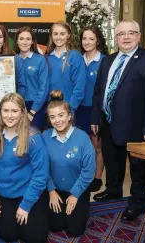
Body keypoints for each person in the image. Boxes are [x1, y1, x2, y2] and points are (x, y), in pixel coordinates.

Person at [91, 19, 145, 222]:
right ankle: (113, 190)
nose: (126, 37)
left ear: (139, 36)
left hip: (137, 125)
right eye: (121, 34)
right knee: (112, 161)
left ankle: (138, 201)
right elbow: (99, 92)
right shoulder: (108, 60)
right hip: (108, 122)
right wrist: (96, 118)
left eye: (131, 33)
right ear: (115, 38)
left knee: (138, 168)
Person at [0, 93, 49, 243]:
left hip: (27, 192)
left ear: (22, 113)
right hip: (3, 193)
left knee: (35, 238)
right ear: (0, 112)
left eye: (14, 111)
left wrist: (26, 205)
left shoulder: (33, 138)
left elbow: (41, 175)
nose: (9, 115)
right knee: (8, 235)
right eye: (5, 111)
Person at [43, 90, 95, 237]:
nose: (57, 120)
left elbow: (89, 170)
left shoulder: (83, 137)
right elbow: (42, 167)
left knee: (75, 230)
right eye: (52, 117)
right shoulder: (45, 137)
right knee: (55, 226)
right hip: (55, 189)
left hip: (77, 188)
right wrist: (51, 190)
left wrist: (76, 194)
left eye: (61, 115)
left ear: (70, 116)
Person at [78, 26, 108, 192]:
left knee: (97, 146)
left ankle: (97, 179)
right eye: (84, 38)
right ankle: (83, 176)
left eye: (91, 38)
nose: (87, 42)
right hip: (78, 109)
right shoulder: (77, 59)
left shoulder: (104, 60)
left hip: (96, 109)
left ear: (97, 40)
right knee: (81, 146)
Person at [46, 21, 86, 121]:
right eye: (55, 34)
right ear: (51, 35)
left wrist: (70, 109)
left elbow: (79, 87)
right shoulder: (46, 58)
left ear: (68, 35)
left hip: (68, 112)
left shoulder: (75, 56)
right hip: (50, 112)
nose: (58, 37)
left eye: (62, 34)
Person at [14, 26, 49, 130]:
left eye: (28, 39)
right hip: (17, 105)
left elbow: (44, 88)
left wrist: (32, 112)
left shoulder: (40, 60)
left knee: (34, 138)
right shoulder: (12, 60)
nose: (24, 42)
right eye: (21, 39)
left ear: (32, 42)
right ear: (16, 41)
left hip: (36, 106)